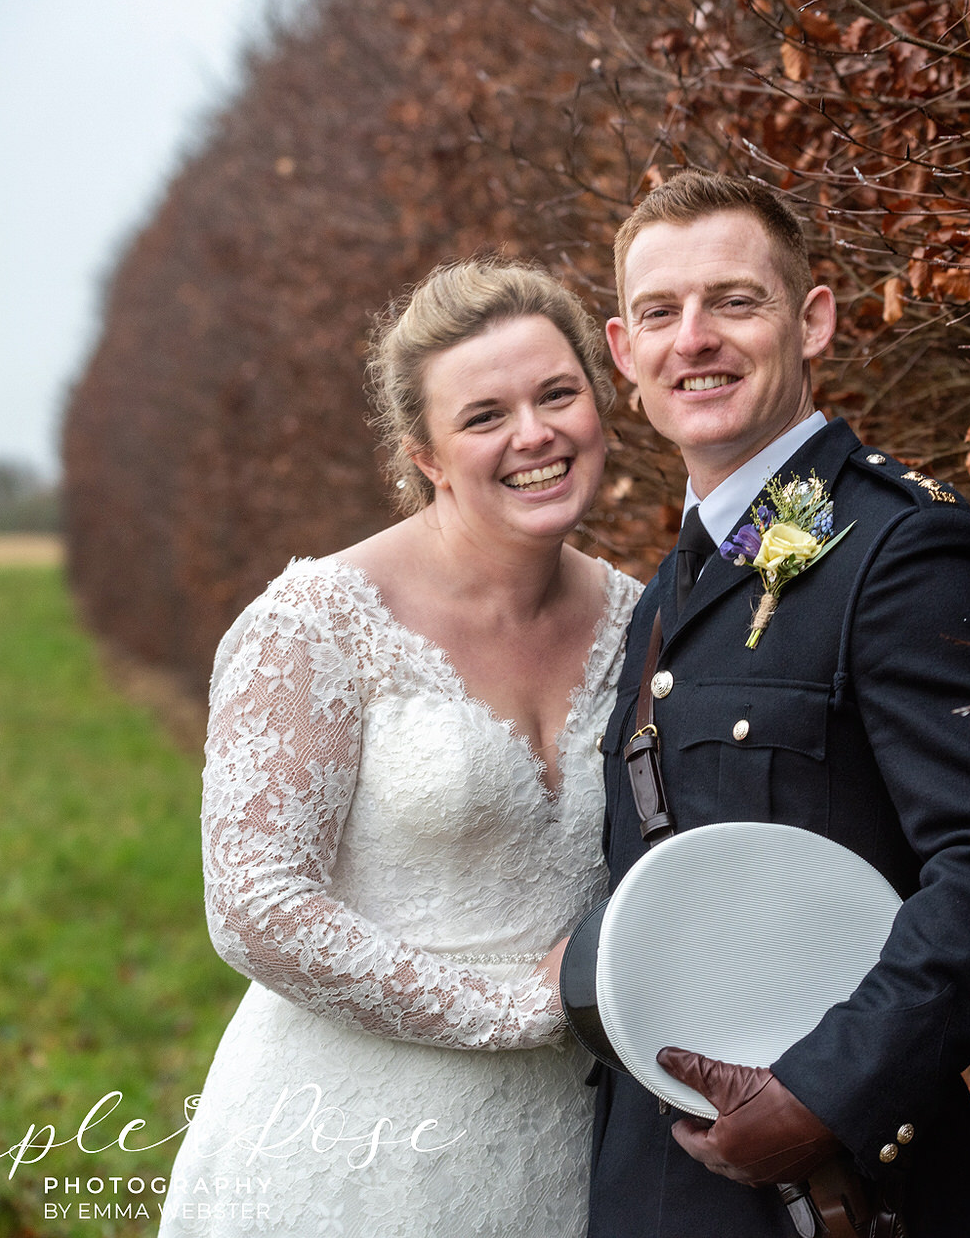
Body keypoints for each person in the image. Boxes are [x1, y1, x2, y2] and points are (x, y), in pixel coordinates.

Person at [588, 172, 970, 1237]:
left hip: (847, 1195)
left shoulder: (904, 549)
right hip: (662, 1185)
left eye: (734, 300)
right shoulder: (666, 595)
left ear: (809, 320)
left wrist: (826, 1091)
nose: (696, 340)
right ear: (625, 355)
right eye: (660, 313)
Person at [159, 261, 641, 1236]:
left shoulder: (646, 622)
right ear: (423, 454)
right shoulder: (316, 624)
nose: (533, 435)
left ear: (598, 403)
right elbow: (255, 907)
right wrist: (515, 1011)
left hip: (575, 1145)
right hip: (352, 1147)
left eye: (557, 394)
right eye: (483, 416)